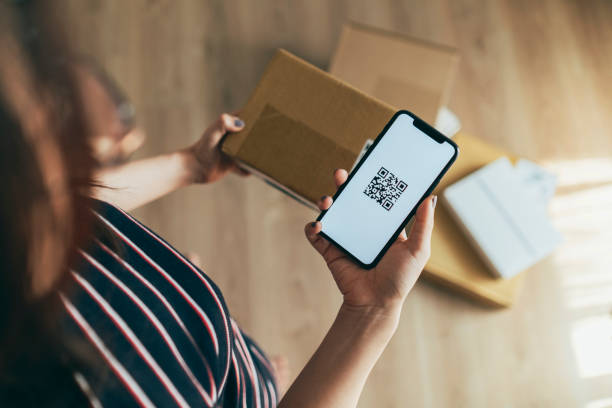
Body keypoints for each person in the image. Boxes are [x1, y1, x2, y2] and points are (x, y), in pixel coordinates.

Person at [0, 2, 436, 407]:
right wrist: (372, 311)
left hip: (222, 357)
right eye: (51, 130)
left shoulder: (34, 218)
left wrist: (187, 165)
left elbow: (83, 200)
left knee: (254, 371)